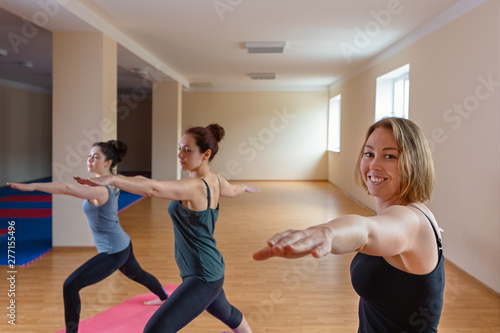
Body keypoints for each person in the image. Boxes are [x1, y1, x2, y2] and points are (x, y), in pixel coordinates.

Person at [253, 117, 445, 333]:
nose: (374, 165)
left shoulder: (409, 221)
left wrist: (328, 232)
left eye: (389, 156)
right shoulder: (416, 214)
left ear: (414, 162)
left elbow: (367, 231)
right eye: (369, 153)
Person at [75, 124, 256, 333]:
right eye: (180, 148)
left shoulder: (196, 187)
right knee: (227, 313)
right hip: (210, 268)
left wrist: (113, 178)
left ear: (206, 154)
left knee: (154, 330)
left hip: (203, 275)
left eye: (187, 150)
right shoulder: (215, 180)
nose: (180, 154)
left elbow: (154, 188)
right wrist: (245, 187)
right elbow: (232, 190)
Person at [8, 140, 169, 333]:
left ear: (108, 162)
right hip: (123, 244)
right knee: (139, 274)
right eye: (89, 156)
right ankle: (164, 298)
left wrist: (33, 186)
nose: (90, 160)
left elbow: (66, 188)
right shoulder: (114, 180)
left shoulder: (99, 189)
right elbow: (139, 178)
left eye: (96, 157)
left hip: (114, 252)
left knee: (70, 285)